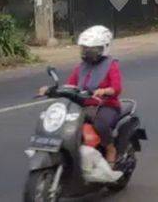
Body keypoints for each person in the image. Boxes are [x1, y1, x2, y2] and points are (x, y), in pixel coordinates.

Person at [41, 25, 123, 166]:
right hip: (83, 105)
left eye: (91, 49)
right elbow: (70, 85)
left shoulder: (111, 65)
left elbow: (117, 88)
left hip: (106, 106)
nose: (87, 52)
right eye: (84, 49)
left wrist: (104, 91)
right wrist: (50, 90)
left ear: (103, 48)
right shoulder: (81, 67)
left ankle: (110, 149)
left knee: (99, 124)